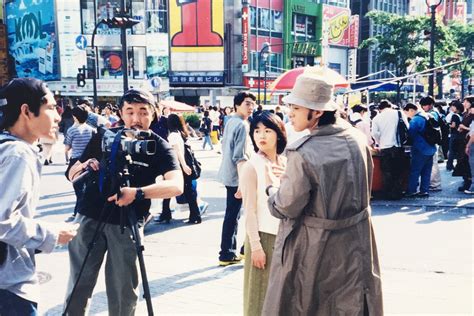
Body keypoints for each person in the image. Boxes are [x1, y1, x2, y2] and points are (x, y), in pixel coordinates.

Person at [262, 73, 383, 315]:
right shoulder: (357, 139)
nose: (290, 114)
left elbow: (286, 206)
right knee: (352, 304)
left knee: (310, 305)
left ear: (317, 112)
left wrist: (272, 187)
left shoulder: (302, 152)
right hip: (357, 241)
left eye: (296, 108)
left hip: (317, 248)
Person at [63, 88, 183, 315]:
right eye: (130, 112)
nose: (136, 119)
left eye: (143, 112)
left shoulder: (159, 146)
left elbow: (176, 185)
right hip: (88, 217)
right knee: (79, 286)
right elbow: (72, 174)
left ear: (154, 114)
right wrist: (84, 165)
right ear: (120, 113)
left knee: (123, 292)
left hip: (127, 224)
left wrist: (137, 193)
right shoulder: (104, 136)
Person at [0, 78, 77, 315]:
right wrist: (52, 233)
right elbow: (2, 221)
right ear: (26, 111)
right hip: (9, 288)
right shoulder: (18, 154)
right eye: (51, 107)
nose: (58, 116)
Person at [241, 112, 287, 316]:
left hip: (287, 237)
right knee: (258, 298)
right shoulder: (252, 166)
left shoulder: (286, 163)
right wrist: (256, 246)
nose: (262, 135)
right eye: (257, 131)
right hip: (263, 237)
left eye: (268, 131)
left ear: (278, 134)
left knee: (281, 297)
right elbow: (249, 210)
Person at [217, 91, 256, 266]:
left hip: (228, 174)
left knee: (232, 214)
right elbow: (240, 156)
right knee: (237, 214)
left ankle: (230, 251)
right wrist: (242, 182)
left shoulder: (230, 121)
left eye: (252, 104)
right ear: (237, 105)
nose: (251, 107)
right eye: (247, 103)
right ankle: (228, 253)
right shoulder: (241, 125)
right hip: (237, 176)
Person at [159, 113, 202, 224]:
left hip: (176, 167)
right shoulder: (180, 133)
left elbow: (177, 152)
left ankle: (167, 214)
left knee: (169, 191)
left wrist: (184, 166)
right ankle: (193, 215)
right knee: (188, 192)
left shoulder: (173, 135)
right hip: (180, 167)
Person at [371, 99, 409, 200]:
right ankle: (397, 193)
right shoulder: (399, 113)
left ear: (380, 109)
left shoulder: (377, 118)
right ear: (390, 106)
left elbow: (374, 133)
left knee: (387, 171)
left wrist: (379, 141)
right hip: (398, 146)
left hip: (385, 148)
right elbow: (407, 127)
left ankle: (387, 193)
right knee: (398, 170)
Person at [63, 105, 95, 223]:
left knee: (78, 188)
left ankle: (78, 212)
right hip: (89, 161)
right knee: (87, 187)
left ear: (75, 117)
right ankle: (83, 211)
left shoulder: (71, 130)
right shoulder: (91, 130)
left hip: (76, 161)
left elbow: (67, 148)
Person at [404, 102, 436, 197]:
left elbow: (410, 134)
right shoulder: (427, 116)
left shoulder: (415, 120)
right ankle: (424, 191)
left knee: (415, 171)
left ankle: (411, 191)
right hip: (431, 148)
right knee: (426, 171)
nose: (407, 115)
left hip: (420, 148)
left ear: (411, 110)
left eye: (406, 113)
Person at [419, 96, 442, 191]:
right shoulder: (434, 112)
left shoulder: (433, 113)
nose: (423, 107)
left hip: (431, 142)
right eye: (422, 105)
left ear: (431, 105)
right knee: (432, 163)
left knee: (433, 163)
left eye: (425, 105)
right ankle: (433, 183)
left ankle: (435, 184)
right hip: (431, 141)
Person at [446, 100, 463, 171]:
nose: (452, 108)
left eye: (453, 106)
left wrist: (448, 124)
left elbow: (453, 125)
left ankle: (449, 165)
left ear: (457, 107)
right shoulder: (462, 115)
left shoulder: (454, 115)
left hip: (453, 134)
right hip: (460, 134)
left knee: (451, 150)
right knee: (458, 151)